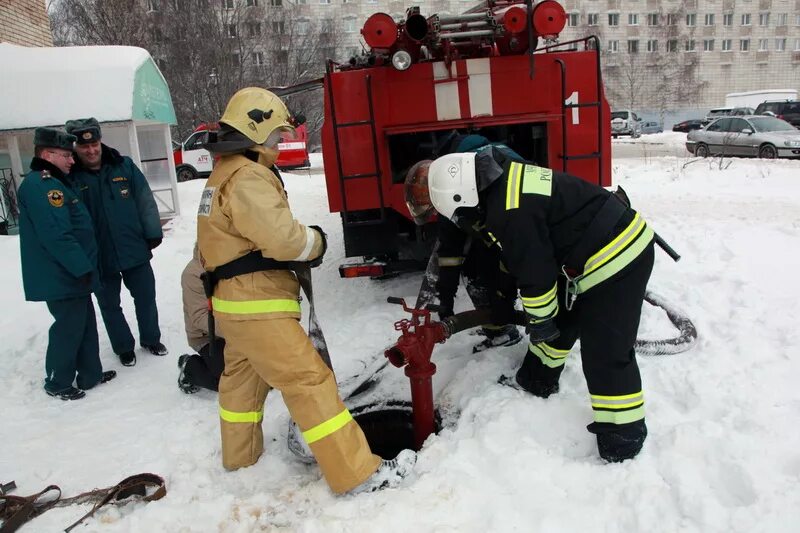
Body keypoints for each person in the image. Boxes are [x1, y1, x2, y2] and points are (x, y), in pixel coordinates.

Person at [196, 87, 415, 494]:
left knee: (241, 383)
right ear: (254, 129)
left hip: (232, 305)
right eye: (276, 136)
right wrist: (315, 242)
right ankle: (358, 474)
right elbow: (282, 241)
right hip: (258, 306)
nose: (279, 145)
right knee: (310, 382)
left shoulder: (223, 173)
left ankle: (240, 459)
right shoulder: (247, 176)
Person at [417, 145, 655, 463]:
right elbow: (517, 261)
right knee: (563, 320)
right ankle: (538, 376)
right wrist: (529, 312)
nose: (462, 222)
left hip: (618, 256)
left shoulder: (509, 209)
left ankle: (624, 436)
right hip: (588, 253)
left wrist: (540, 320)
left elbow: (536, 273)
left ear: (462, 198)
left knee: (606, 352)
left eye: (458, 215)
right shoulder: (500, 182)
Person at [17, 128, 116, 400]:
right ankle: (57, 381)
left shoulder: (57, 182)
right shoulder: (43, 185)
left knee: (84, 324)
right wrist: (81, 268)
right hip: (62, 274)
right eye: (66, 155)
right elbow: (57, 235)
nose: (72, 161)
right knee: (68, 328)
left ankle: (90, 374)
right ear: (47, 154)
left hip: (73, 273)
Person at [65, 118, 167, 367]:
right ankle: (123, 347)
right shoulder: (70, 177)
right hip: (98, 255)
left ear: (100, 142)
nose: (91, 150)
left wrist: (152, 232)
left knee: (145, 297)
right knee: (110, 305)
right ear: (75, 148)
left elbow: (145, 199)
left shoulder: (124, 166)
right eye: (84, 146)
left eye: (95, 144)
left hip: (133, 246)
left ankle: (151, 339)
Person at [407, 134, 522, 352]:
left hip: (515, 226)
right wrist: (445, 299)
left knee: (491, 273)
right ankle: (493, 325)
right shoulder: (453, 176)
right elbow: (450, 248)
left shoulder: (481, 171)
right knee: (473, 267)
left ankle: (503, 330)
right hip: (495, 225)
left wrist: (504, 294)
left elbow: (511, 244)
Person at [178, 244, 225, 394]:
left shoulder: (233, 262)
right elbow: (200, 317)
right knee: (228, 382)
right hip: (206, 337)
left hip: (235, 331)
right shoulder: (193, 273)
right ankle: (190, 367)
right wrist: (237, 329)